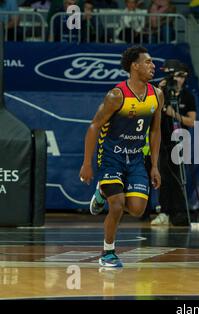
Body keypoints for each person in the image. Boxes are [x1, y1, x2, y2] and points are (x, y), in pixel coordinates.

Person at [79, 46, 163, 268]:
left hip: (136, 159)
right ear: (134, 66)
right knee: (116, 205)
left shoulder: (157, 95)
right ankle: (108, 252)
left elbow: (155, 131)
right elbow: (94, 126)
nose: (153, 66)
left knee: (136, 209)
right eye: (148, 62)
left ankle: (101, 193)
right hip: (111, 157)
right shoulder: (116, 96)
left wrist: (154, 165)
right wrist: (87, 163)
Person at [152, 61, 197, 226]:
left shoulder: (187, 96)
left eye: (183, 77)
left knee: (178, 177)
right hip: (162, 140)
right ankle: (164, 211)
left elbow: (191, 121)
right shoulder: (162, 92)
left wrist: (174, 114)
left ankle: (179, 212)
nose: (180, 80)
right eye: (177, 76)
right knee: (163, 176)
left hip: (179, 140)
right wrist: (160, 90)